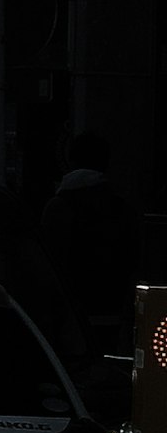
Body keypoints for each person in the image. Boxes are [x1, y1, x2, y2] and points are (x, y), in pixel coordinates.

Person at [38, 133, 143, 363]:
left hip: (69, 315)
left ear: (70, 160)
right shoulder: (121, 208)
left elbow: (48, 266)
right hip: (113, 311)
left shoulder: (58, 208)